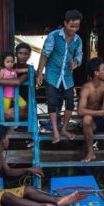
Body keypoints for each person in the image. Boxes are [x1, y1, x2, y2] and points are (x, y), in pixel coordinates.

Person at [0, 125, 81, 206]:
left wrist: (28, 169)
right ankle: (45, 205)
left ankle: (57, 200)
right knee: (7, 196)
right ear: (2, 140)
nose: (8, 139)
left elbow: (9, 172)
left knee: (28, 189)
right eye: (7, 137)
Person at [35, 10, 83, 144]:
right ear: (65, 23)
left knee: (70, 101)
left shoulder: (77, 40)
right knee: (52, 102)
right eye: (71, 26)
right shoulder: (54, 36)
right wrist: (40, 72)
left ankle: (64, 129)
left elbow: (79, 54)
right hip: (52, 74)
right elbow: (45, 54)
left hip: (67, 76)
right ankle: (55, 131)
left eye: (77, 26)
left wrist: (76, 62)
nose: (74, 29)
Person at [77, 57, 104, 162]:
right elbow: (80, 111)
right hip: (89, 124)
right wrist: (103, 112)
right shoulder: (86, 88)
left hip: (101, 120)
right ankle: (90, 153)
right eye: (103, 69)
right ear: (96, 73)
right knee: (87, 118)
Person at [0, 51, 27, 121]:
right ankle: (4, 122)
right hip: (6, 95)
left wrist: (30, 69)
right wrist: (8, 78)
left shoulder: (14, 70)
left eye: (12, 61)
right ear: (3, 62)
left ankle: (10, 114)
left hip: (15, 94)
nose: (10, 64)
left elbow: (20, 70)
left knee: (24, 105)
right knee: (4, 111)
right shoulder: (3, 71)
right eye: (8, 62)